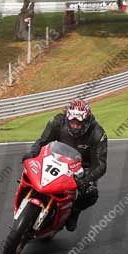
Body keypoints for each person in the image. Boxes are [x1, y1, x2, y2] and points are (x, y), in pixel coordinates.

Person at [23, 99, 107, 231]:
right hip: (56, 157)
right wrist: (32, 153)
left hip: (82, 167)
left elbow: (100, 165)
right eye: (72, 122)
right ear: (67, 119)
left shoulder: (97, 133)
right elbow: (42, 141)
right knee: (30, 166)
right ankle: (27, 191)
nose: (75, 126)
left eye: (79, 123)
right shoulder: (57, 122)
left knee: (91, 194)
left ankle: (74, 211)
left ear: (86, 122)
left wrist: (86, 180)